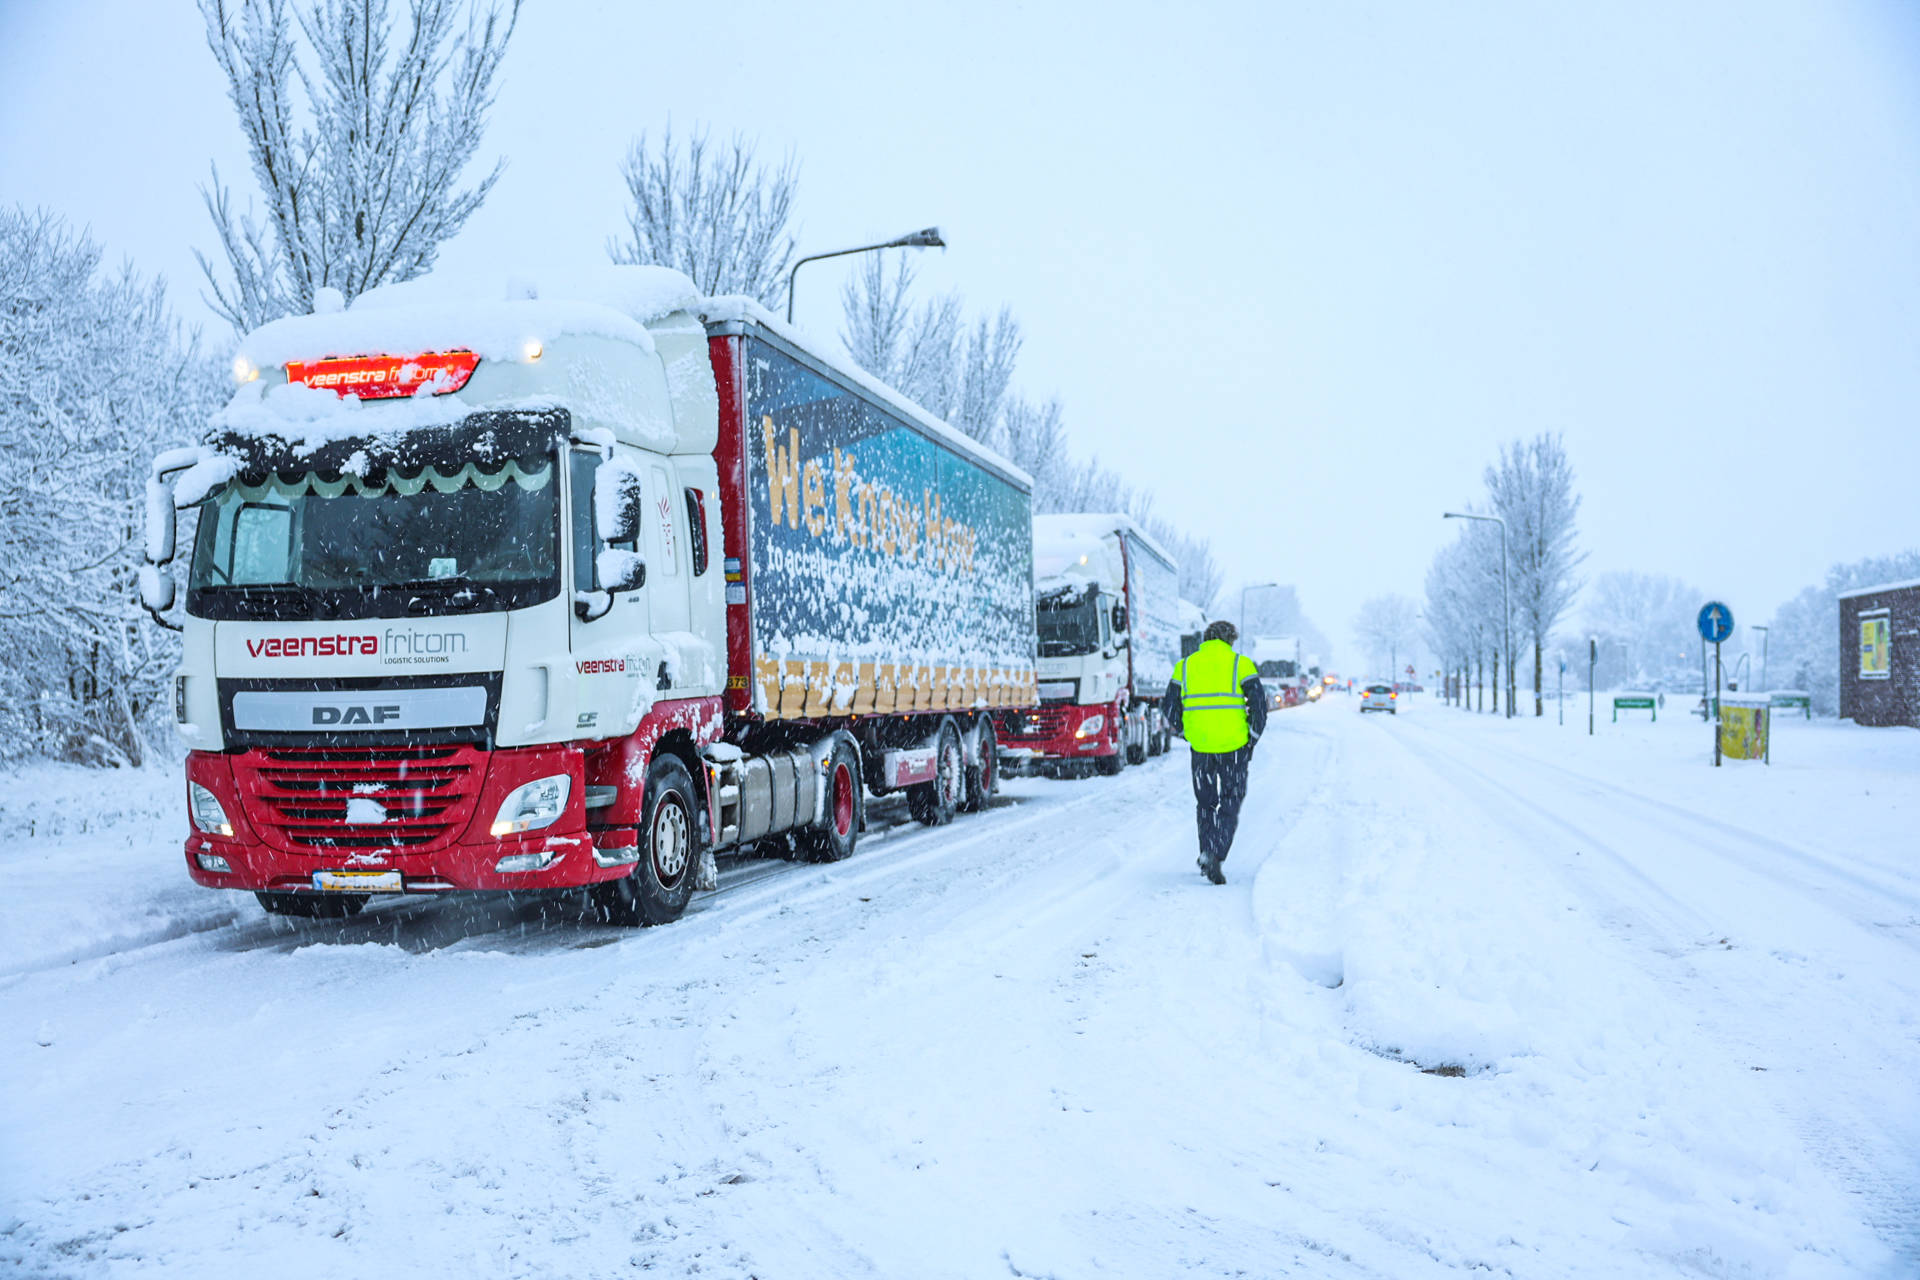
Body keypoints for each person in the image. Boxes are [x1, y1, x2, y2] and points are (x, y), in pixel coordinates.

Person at [1163, 620, 1267, 884]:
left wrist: (1187, 731)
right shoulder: (1240, 663)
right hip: (1234, 747)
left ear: (1206, 638)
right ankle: (1215, 853)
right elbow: (1259, 706)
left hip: (1201, 748)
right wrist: (1252, 738)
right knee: (1231, 801)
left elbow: (1169, 707)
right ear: (1230, 640)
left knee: (1205, 803)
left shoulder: (1184, 666)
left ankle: (1206, 851)